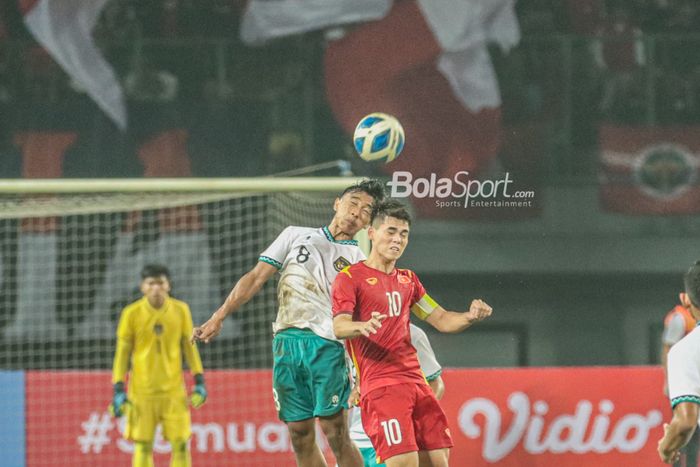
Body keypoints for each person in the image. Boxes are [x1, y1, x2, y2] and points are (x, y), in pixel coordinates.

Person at [192, 179, 385, 467]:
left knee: (336, 433)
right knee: (299, 433)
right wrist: (218, 316)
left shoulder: (361, 263)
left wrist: (362, 375)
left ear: (368, 224)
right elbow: (256, 277)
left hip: (328, 349)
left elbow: (362, 324)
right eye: (353, 203)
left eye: (365, 211)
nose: (356, 212)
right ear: (337, 203)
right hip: (285, 344)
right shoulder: (294, 235)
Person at [332, 199, 492, 467]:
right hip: (382, 387)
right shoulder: (350, 278)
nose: (398, 239)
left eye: (404, 234)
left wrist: (469, 316)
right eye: (391, 231)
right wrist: (362, 326)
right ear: (371, 233)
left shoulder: (408, 280)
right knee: (404, 464)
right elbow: (339, 326)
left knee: (437, 462)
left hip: (417, 385)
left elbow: (441, 319)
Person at [110, 264, 207, 467]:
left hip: (173, 391)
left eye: (160, 283)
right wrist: (118, 388)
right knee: (143, 445)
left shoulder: (181, 310)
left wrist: (199, 380)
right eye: (151, 283)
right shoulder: (131, 313)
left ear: (168, 285)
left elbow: (190, 348)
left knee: (180, 444)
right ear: (143, 287)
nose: (156, 288)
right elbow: (122, 354)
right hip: (142, 392)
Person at [347, 323, 445, 467]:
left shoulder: (412, 333)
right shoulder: (350, 333)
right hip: (355, 438)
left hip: (393, 439)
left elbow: (436, 383)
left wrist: (411, 419)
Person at [658, 261, 700, 464]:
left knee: (688, 434)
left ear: (686, 299)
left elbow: (685, 423)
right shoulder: (679, 321)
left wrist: (666, 446)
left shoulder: (685, 351)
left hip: (688, 377)